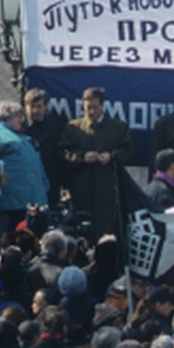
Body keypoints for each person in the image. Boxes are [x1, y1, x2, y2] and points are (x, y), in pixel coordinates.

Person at [58, 86, 134, 240]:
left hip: (108, 192)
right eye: (88, 108)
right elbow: (63, 152)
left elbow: (128, 152)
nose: (91, 112)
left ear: (103, 106)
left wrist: (112, 156)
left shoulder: (118, 128)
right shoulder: (73, 128)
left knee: (107, 234)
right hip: (81, 192)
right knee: (83, 233)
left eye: (95, 107)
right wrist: (82, 157)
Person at [0, 100, 50, 231]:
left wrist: (44, 185)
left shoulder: (25, 138)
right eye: (18, 116)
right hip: (12, 202)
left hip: (34, 200)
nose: (22, 120)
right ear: (8, 117)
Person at [24, 88, 67, 207]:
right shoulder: (20, 126)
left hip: (51, 178)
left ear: (46, 106)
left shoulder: (56, 124)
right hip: (29, 180)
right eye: (32, 107)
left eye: (39, 106)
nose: (35, 111)